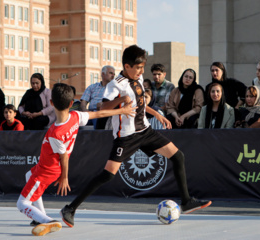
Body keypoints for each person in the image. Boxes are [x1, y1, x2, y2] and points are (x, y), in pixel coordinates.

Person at [60, 45, 211, 228]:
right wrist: (121, 101)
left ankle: (186, 201)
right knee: (107, 175)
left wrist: (156, 114)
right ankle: (70, 208)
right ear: (127, 66)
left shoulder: (138, 78)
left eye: (142, 67)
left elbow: (139, 103)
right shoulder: (115, 84)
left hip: (146, 131)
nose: (141, 71)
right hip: (126, 137)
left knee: (178, 156)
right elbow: (104, 108)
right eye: (138, 67)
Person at [16, 83, 136, 236]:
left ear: (51, 103)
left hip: (46, 170)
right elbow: (99, 114)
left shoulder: (55, 132)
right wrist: (122, 110)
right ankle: (40, 216)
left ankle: (47, 220)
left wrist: (64, 177)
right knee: (28, 175)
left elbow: (64, 156)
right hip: (47, 167)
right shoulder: (76, 116)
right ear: (72, 104)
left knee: (21, 203)